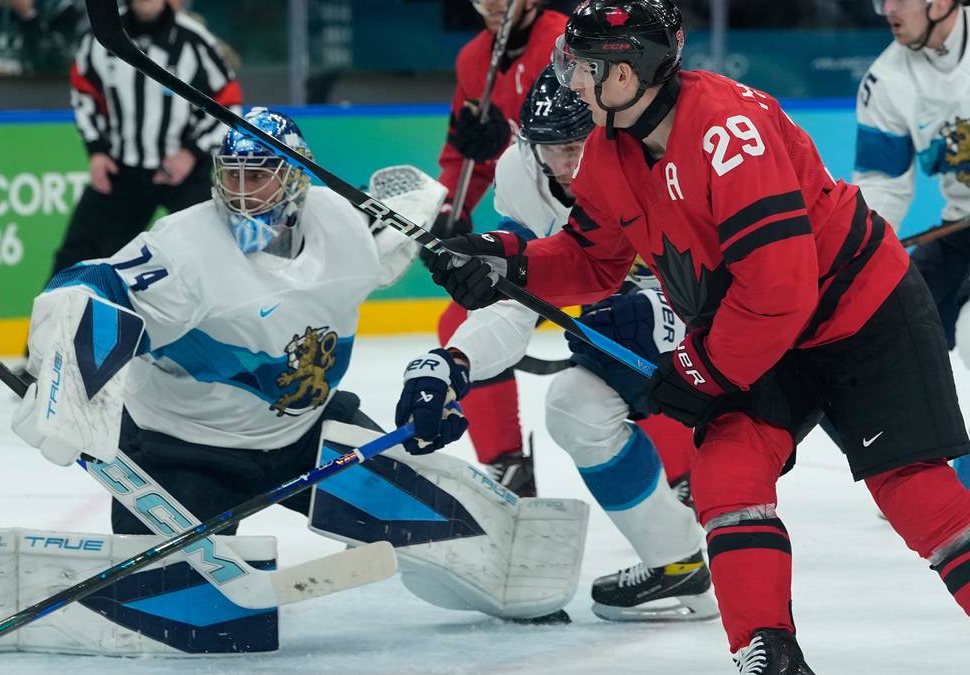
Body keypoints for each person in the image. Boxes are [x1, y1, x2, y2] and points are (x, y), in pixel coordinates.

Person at [405, 1, 970, 672]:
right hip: (758, 332)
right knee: (726, 472)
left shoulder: (729, 129)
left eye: (581, 67)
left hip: (860, 316)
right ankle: (769, 651)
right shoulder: (613, 150)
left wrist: (698, 370)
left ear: (629, 74)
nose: (571, 82)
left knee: (913, 490)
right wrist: (505, 262)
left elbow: (779, 291)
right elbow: (594, 259)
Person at [10, 108, 588, 624]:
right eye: (231, 175)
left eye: (257, 175)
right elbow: (92, 284)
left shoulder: (341, 224)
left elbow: (405, 210)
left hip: (308, 437)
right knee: (180, 611)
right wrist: (65, 369)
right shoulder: (184, 246)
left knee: (436, 520)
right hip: (184, 452)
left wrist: (450, 232)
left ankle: (513, 592)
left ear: (295, 178)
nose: (240, 192)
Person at [408, 64, 715, 622]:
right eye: (556, 148)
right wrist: (454, 361)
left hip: (703, 293)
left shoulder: (653, 154)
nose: (571, 165)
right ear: (529, 146)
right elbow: (514, 298)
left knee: (623, 328)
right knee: (575, 407)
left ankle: (704, 476)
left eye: (581, 143)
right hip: (603, 280)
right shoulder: (519, 176)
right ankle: (678, 564)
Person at [431, 0, 568, 496]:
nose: (490, 4)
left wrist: (503, 143)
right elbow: (464, 154)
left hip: (599, 218)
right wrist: (452, 210)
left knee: (627, 334)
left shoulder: (567, 42)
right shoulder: (473, 60)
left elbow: (596, 139)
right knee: (461, 325)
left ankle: (684, 479)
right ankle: (507, 467)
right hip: (532, 221)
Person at [855, 0, 970, 488]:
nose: (888, 11)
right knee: (892, 323)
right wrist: (858, 247)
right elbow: (883, 183)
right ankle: (915, 472)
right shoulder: (886, 79)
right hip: (959, 228)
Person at [53, 0, 240, 281]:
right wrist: (96, 152)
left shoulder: (194, 40)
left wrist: (191, 153)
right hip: (122, 169)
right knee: (78, 257)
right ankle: (61, 320)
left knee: (213, 258)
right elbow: (84, 93)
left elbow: (228, 103)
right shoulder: (102, 34)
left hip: (184, 174)